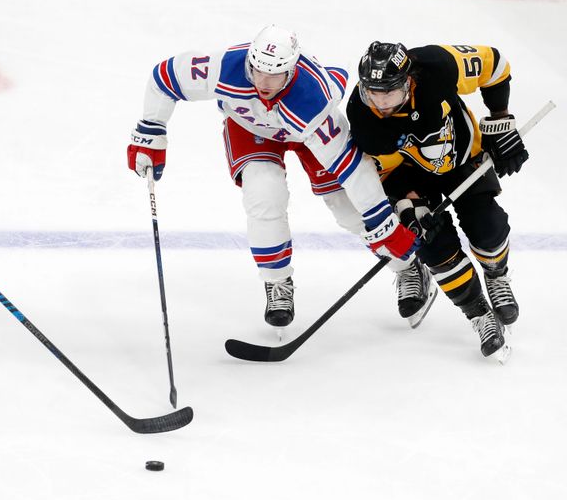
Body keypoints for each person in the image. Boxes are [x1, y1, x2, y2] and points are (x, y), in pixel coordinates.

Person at [127, 25, 423, 333]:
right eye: (257, 72)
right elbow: (165, 77)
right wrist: (151, 129)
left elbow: (352, 169)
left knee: (348, 208)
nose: (263, 83)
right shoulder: (224, 68)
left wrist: (384, 222)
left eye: (274, 75)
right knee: (263, 193)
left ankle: (407, 266)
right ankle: (276, 282)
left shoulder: (312, 103)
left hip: (304, 132)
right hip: (251, 125)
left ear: (291, 71)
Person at [346, 41, 527, 360]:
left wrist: (500, 122)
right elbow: (385, 172)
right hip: (412, 176)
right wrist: (410, 204)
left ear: (409, 80)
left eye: (387, 92)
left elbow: (495, 65)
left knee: (487, 227)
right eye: (372, 91)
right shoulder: (364, 118)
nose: (380, 101)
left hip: (464, 160)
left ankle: (496, 275)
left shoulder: (439, 66)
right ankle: (478, 314)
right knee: (432, 244)